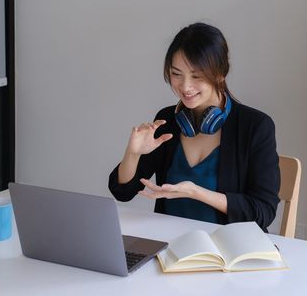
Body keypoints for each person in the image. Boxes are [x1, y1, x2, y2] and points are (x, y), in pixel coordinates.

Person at [108, 22, 280, 231]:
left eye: (196, 76)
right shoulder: (168, 120)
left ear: (220, 73)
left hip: (226, 251)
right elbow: (123, 192)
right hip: (170, 246)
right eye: (176, 74)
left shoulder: (255, 126)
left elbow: (263, 212)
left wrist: (196, 192)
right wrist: (133, 154)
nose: (185, 86)